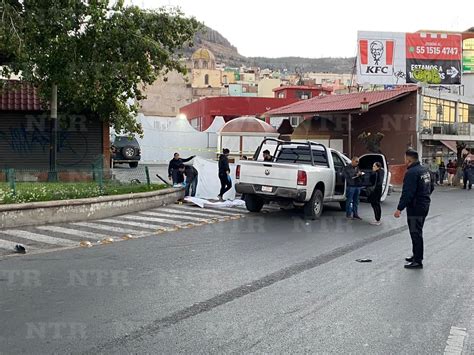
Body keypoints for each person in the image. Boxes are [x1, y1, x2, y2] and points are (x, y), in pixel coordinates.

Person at [394, 149, 434, 269]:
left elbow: (407, 193)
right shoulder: (424, 170)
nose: (404, 160)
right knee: (417, 231)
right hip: (424, 204)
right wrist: (424, 197)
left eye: (405, 158)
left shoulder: (412, 173)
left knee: (415, 233)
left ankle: (418, 260)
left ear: (409, 159)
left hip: (416, 207)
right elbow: (431, 186)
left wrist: (399, 208)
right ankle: (416, 255)